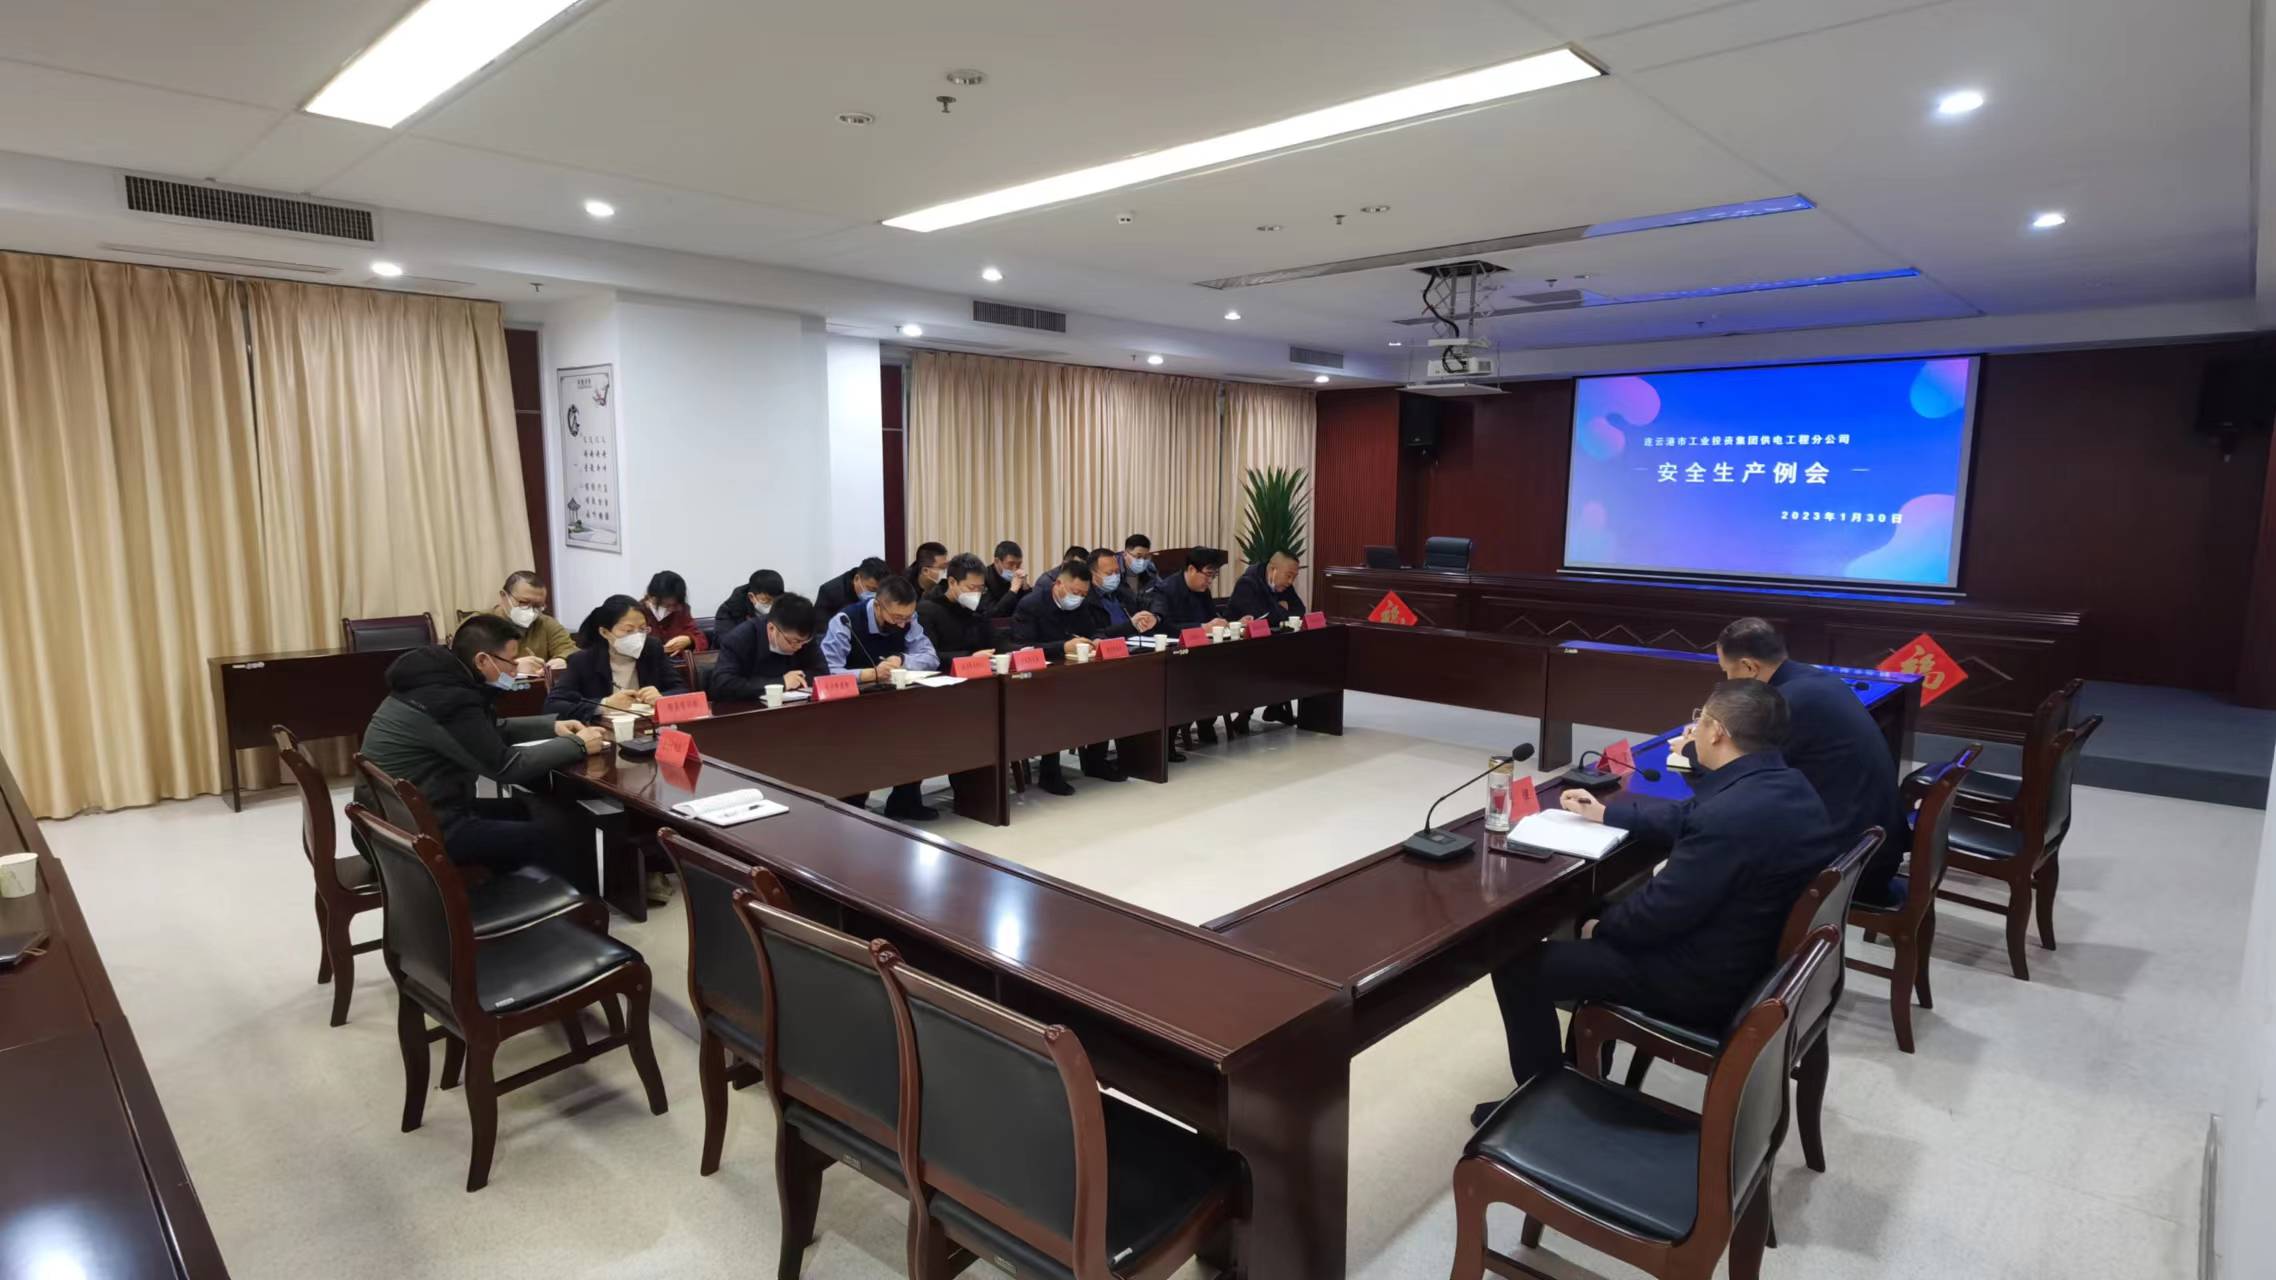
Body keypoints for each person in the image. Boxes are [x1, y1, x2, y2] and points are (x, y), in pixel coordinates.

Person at [1480, 679, 1839, 1122]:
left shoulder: (1730, 816)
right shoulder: (1788, 784)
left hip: (1709, 981)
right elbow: (1687, 816)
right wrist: (1604, 813)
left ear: (1717, 732)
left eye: (1700, 720)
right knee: (1597, 914)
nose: (1694, 729)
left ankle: (1540, 1107)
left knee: (1518, 966)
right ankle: (1581, 1071)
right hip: (1755, 955)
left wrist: (1601, 929)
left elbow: (1659, 915)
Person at [355, 614, 605, 872]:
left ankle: (511, 885)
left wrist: (551, 727)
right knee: (559, 834)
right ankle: (577, 898)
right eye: (511, 661)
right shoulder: (447, 700)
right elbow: (506, 767)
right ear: (482, 660)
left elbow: (485, 730)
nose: (515, 669)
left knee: (527, 808)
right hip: (416, 835)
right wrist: (577, 744)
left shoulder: (433, 680)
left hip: (395, 821)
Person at [1714, 617, 1910, 907]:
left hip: (1851, 867)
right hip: (1875, 844)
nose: (1729, 680)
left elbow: (1748, 772)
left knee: (1725, 860)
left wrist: (1694, 748)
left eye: (1727, 671)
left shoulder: (1787, 701)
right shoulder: (1817, 680)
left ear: (1749, 667)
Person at [1010, 558, 1137, 794]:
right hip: (1039, 679)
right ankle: (1050, 772)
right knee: (1058, 704)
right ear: (1058, 584)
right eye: (1075, 592)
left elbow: (1092, 631)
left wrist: (1097, 640)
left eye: (1083, 594)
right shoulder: (1031, 605)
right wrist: (1062, 647)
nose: (1078, 598)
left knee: (1108, 694)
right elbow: (1021, 648)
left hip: (1075, 672)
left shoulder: (1082, 604)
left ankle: (1096, 761)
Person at [820, 574, 940, 819]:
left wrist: (903, 659)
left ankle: (905, 801)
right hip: (852, 706)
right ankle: (852, 807)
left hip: (896, 701)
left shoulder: (908, 619)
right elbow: (826, 671)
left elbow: (931, 657)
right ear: (877, 605)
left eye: (907, 617)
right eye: (897, 617)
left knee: (918, 732)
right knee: (861, 751)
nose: (902, 624)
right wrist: (867, 674)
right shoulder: (845, 621)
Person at [1145, 546, 1238, 745]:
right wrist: (1202, 628)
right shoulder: (1165, 589)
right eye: (1208, 575)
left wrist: (1222, 623)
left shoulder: (1202, 590)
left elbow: (1211, 618)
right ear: (1191, 569)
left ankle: (1206, 721)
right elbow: (1163, 627)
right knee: (1185, 684)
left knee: (1224, 672)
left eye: (1214, 576)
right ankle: (1169, 741)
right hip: (1174, 656)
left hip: (1200, 652)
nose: (1210, 581)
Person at [547, 594, 689, 721]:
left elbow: (681, 690)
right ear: (605, 632)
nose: (637, 636)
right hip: (603, 731)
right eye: (628, 630)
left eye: (642, 629)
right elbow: (553, 706)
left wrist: (662, 698)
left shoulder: (652, 649)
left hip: (647, 726)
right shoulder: (583, 660)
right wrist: (604, 705)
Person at [1227, 549, 1306, 730]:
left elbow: (1299, 610)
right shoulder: (1248, 583)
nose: (1290, 582)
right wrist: (1280, 608)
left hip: (1268, 643)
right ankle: (1248, 712)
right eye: (1288, 576)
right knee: (1269, 660)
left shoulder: (1283, 584)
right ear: (1273, 570)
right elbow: (1265, 618)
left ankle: (1275, 707)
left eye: (1294, 577)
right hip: (1239, 646)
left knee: (1292, 656)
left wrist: (1278, 610)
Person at [709, 593, 826, 702]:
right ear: (771, 628)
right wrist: (780, 683)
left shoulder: (803, 637)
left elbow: (822, 673)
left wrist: (798, 679)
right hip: (749, 710)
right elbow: (723, 684)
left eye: (804, 642)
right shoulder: (740, 638)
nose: (799, 647)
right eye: (794, 642)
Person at [915, 553, 999, 664]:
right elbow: (929, 656)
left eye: (980, 589)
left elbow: (994, 643)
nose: (976, 594)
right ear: (952, 582)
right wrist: (969, 658)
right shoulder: (927, 611)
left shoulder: (978, 610)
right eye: (971, 587)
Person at [492, 570, 575, 674]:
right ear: (504, 596)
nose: (530, 611)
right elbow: (474, 670)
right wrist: (511, 667)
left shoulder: (546, 623)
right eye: (524, 602)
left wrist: (562, 660)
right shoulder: (479, 625)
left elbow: (570, 650)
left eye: (538, 606)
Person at [1085, 546, 1158, 633]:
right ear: (1092, 574)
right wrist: (1129, 625)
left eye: (1117, 571)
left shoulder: (1123, 591)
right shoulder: (1085, 599)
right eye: (1109, 573)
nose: (1115, 576)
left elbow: (1145, 605)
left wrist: (1151, 617)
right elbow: (1095, 634)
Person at [641, 570, 706, 655]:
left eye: (675, 605)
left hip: (679, 662)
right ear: (652, 598)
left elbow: (701, 639)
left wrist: (689, 640)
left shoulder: (682, 610)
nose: (671, 609)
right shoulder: (638, 612)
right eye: (667, 605)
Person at [816, 556, 890, 620]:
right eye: (872, 589)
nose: (876, 595)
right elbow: (822, 630)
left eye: (880, 590)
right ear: (856, 579)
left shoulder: (888, 591)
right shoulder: (830, 592)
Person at [713, 569, 782, 635]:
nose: (771, 605)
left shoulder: (784, 607)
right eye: (765, 600)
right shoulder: (729, 611)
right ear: (751, 597)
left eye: (775, 601)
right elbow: (726, 640)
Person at [984, 540, 1029, 618]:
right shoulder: (983, 579)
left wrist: (1025, 588)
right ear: (997, 561)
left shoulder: (1018, 579)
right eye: (1010, 564)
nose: (1015, 569)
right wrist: (1012, 591)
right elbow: (992, 614)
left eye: (1018, 564)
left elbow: (1031, 610)